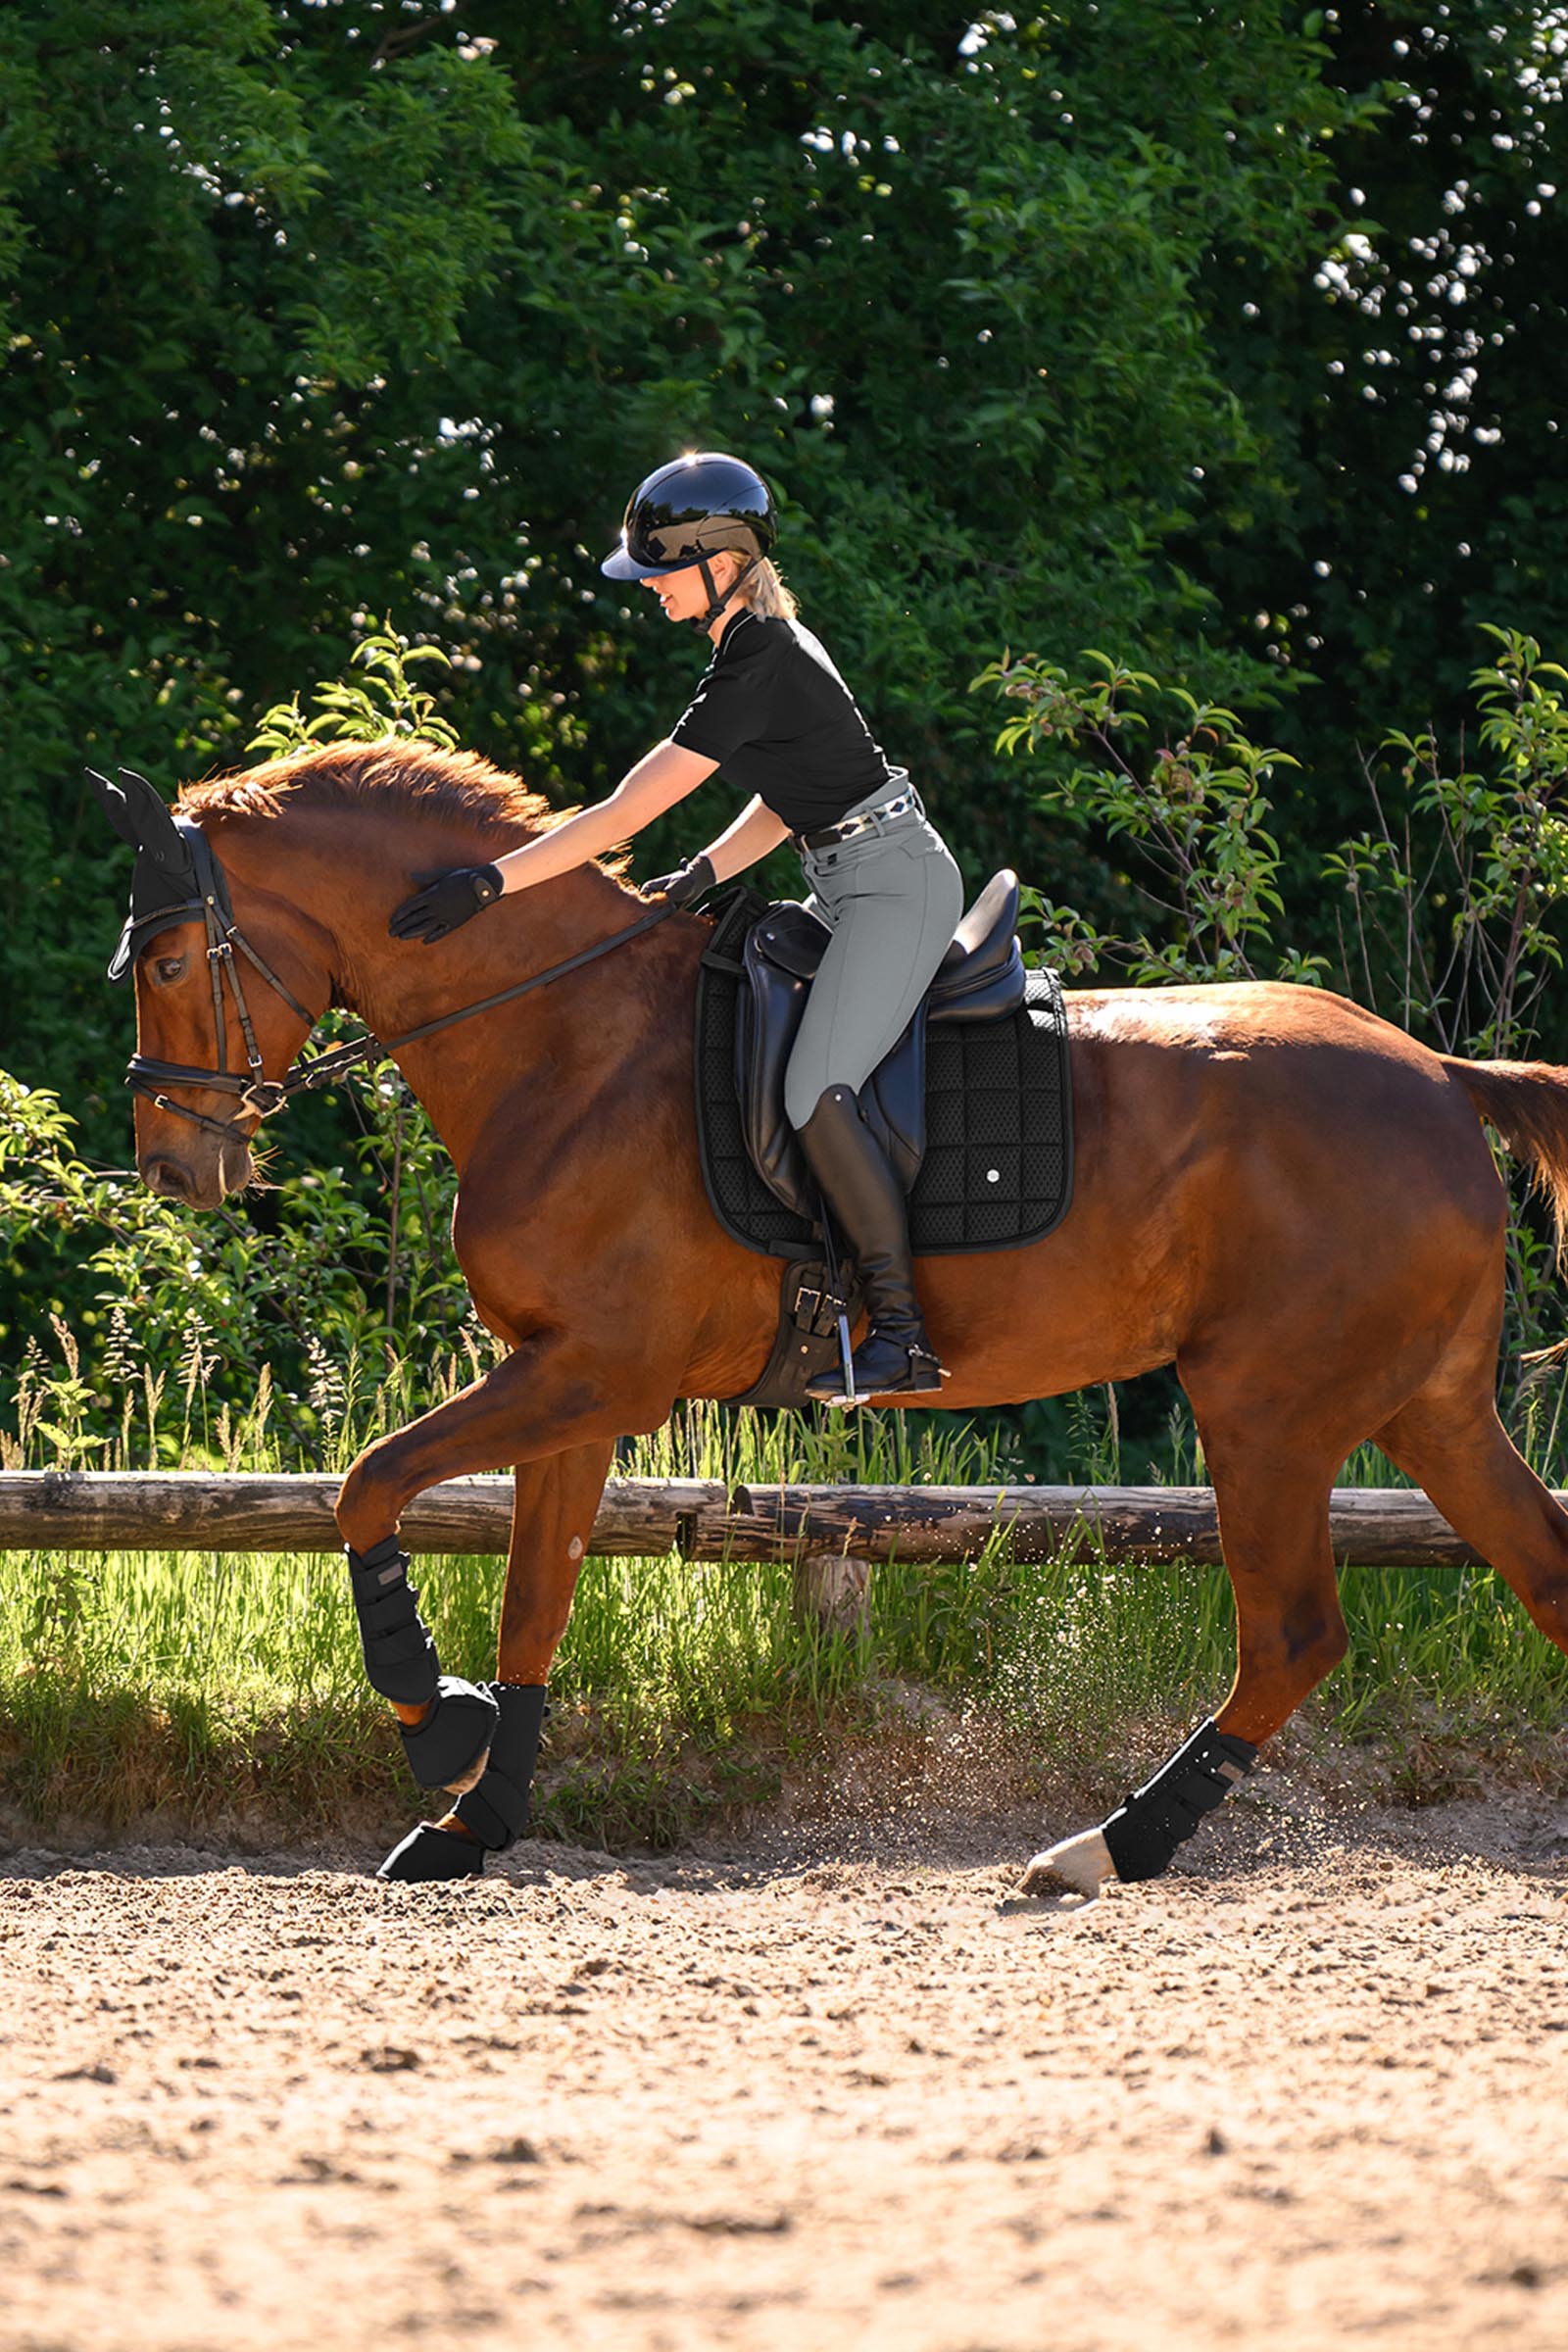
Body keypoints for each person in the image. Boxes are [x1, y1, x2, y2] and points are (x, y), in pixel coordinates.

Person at [389, 452, 965, 1402]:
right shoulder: (758, 647)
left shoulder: (763, 662)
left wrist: (491, 882)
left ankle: (899, 1327)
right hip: (851, 875)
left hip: (892, 889)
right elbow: (793, 798)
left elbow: (618, 816)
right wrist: (704, 870)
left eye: (660, 572)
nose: (649, 592)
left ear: (721, 559)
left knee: (814, 1086)